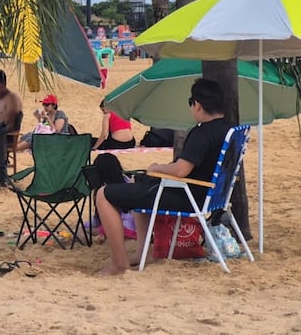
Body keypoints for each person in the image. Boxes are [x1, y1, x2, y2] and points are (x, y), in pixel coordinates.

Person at [95, 78, 233, 275]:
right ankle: (142, 253)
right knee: (139, 184)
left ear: (197, 105)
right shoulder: (229, 129)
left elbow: (181, 170)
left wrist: (157, 167)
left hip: (188, 197)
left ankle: (119, 263)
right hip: (211, 195)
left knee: (104, 195)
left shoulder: (202, 133)